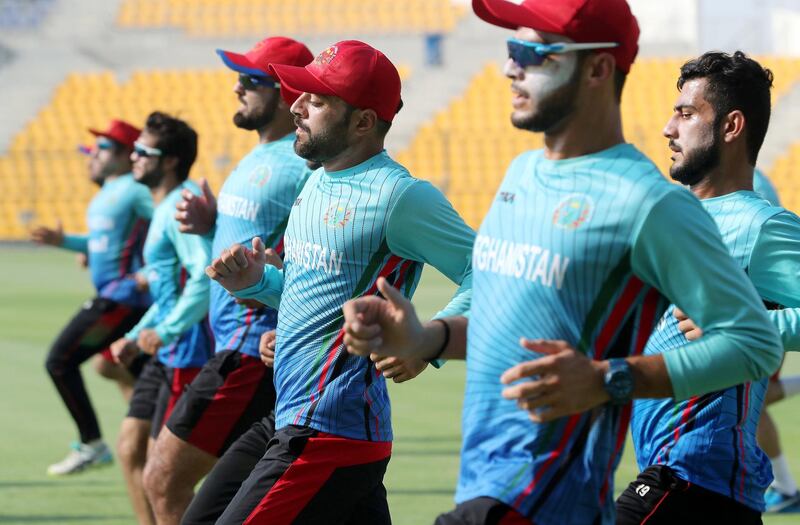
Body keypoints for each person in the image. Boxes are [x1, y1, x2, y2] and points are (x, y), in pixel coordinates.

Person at [340, 1, 782, 523]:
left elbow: (751, 343)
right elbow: (509, 330)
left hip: (549, 502)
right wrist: (427, 337)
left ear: (596, 69)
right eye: (512, 50)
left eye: (535, 53)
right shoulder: (519, 176)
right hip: (482, 489)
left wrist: (606, 379)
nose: (511, 67)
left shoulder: (648, 202)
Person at [206, 40, 474, 524]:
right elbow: (317, 292)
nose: (297, 106)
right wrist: (256, 282)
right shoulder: (316, 179)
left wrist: (427, 342)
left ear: (364, 122)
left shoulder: (401, 196)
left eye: (317, 99)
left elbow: (485, 274)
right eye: (301, 93)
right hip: (301, 416)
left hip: (328, 428)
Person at [616, 50, 800, 524]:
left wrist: (747, 324)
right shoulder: (669, 216)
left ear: (731, 126)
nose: (668, 129)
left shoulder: (763, 225)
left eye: (686, 113)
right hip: (682, 479)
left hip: (697, 475)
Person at [141, 37, 315, 525]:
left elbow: (312, 251)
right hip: (235, 344)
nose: (237, 88)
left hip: (249, 348)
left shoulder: (299, 163)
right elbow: (258, 237)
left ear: (285, 93)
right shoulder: (257, 155)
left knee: (164, 479)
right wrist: (212, 222)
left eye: (251, 80)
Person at [30, 119, 153, 476]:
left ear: (125, 154)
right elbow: (103, 243)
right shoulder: (107, 193)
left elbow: (168, 225)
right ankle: (155, 433)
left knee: (59, 360)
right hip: (115, 298)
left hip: (123, 299)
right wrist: (64, 242)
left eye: (103, 147)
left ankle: (92, 443)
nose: (94, 154)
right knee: (125, 368)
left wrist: (149, 272)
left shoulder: (135, 189)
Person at [110, 112, 213, 525]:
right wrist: (137, 333)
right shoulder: (164, 205)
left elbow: (203, 279)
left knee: (163, 473)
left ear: (169, 161)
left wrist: (164, 330)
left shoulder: (182, 205)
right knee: (130, 448)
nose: (133, 157)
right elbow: (169, 290)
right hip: (166, 348)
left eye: (142, 151)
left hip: (187, 350)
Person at [753, 168, 800, 513]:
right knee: (752, 399)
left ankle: (785, 486)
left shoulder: (745, 186)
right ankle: (784, 486)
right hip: (761, 306)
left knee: (750, 400)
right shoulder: (750, 179)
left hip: (762, 305)